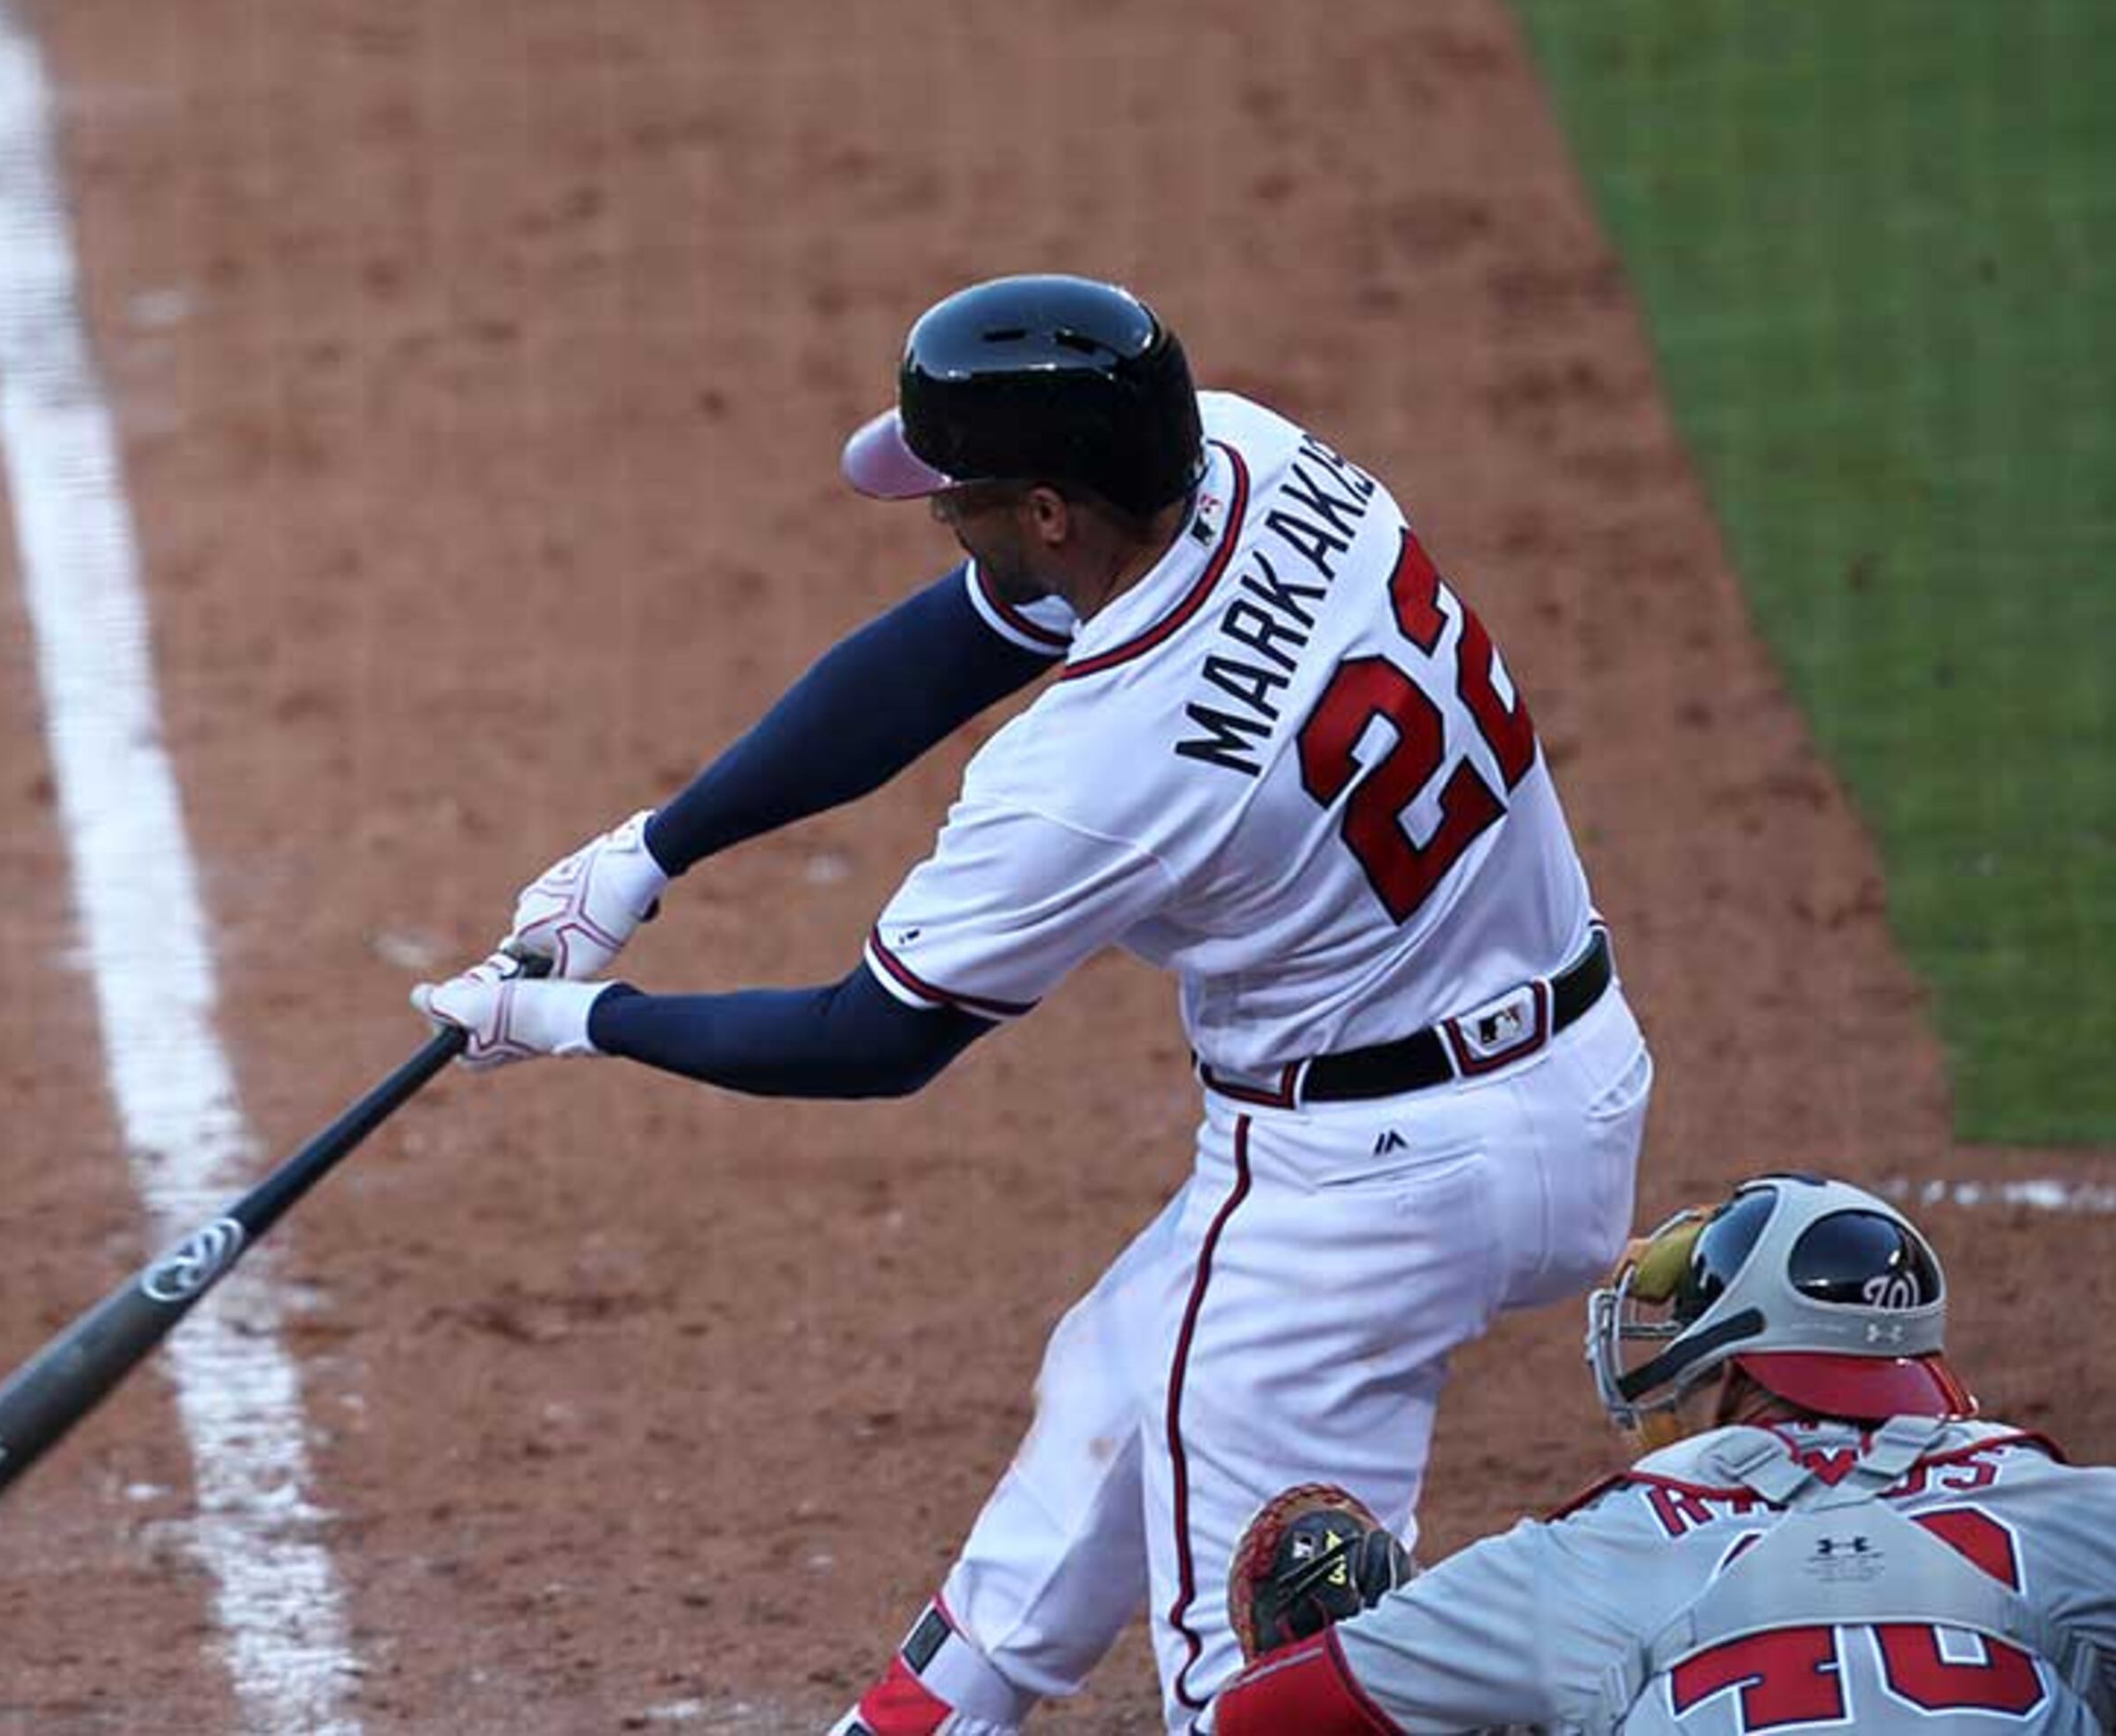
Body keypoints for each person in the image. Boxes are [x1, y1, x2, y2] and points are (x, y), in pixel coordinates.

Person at [410, 273, 1656, 1732]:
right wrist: (647, 853)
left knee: (1266, 1698)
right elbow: (951, 645)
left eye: (961, 497)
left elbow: (873, 1039)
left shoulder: (1091, 780)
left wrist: (573, 1023)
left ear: (1052, 510)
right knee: (1113, 1394)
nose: (945, 518)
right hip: (1576, 1077)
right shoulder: (1256, 458)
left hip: (1353, 1206)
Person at [1214, 1172, 2116, 1734]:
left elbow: (1265, 1713)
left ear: (1739, 1362)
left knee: (1339, 1591)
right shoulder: (2074, 1511)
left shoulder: (1602, 1548)